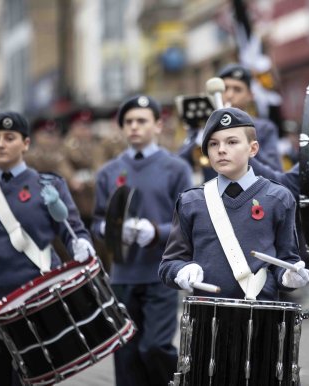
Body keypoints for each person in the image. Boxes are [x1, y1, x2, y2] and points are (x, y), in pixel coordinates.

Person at [0, 112, 95, 386]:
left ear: (25, 144)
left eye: (9, 138)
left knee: (34, 381)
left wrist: (81, 244)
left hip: (39, 300)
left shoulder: (49, 185)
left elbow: (73, 230)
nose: (1, 144)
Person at [92, 94, 193, 386]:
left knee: (155, 347)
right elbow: (97, 221)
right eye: (128, 122)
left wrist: (157, 231)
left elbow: (188, 220)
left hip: (161, 273)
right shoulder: (109, 172)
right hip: (122, 275)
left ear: (158, 125)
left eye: (141, 121)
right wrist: (111, 230)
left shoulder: (176, 168)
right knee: (126, 353)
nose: (134, 127)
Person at [159, 106, 309, 300]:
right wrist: (182, 270)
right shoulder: (191, 201)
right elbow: (169, 264)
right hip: (206, 316)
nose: (221, 150)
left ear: (253, 148)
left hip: (262, 317)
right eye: (213, 144)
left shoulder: (278, 197)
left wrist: (289, 276)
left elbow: (286, 261)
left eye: (232, 142)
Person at [218, 63, 283, 172]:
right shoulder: (207, 126)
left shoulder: (264, 128)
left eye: (237, 89)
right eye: (225, 89)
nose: (229, 95)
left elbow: (274, 171)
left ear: (250, 95)